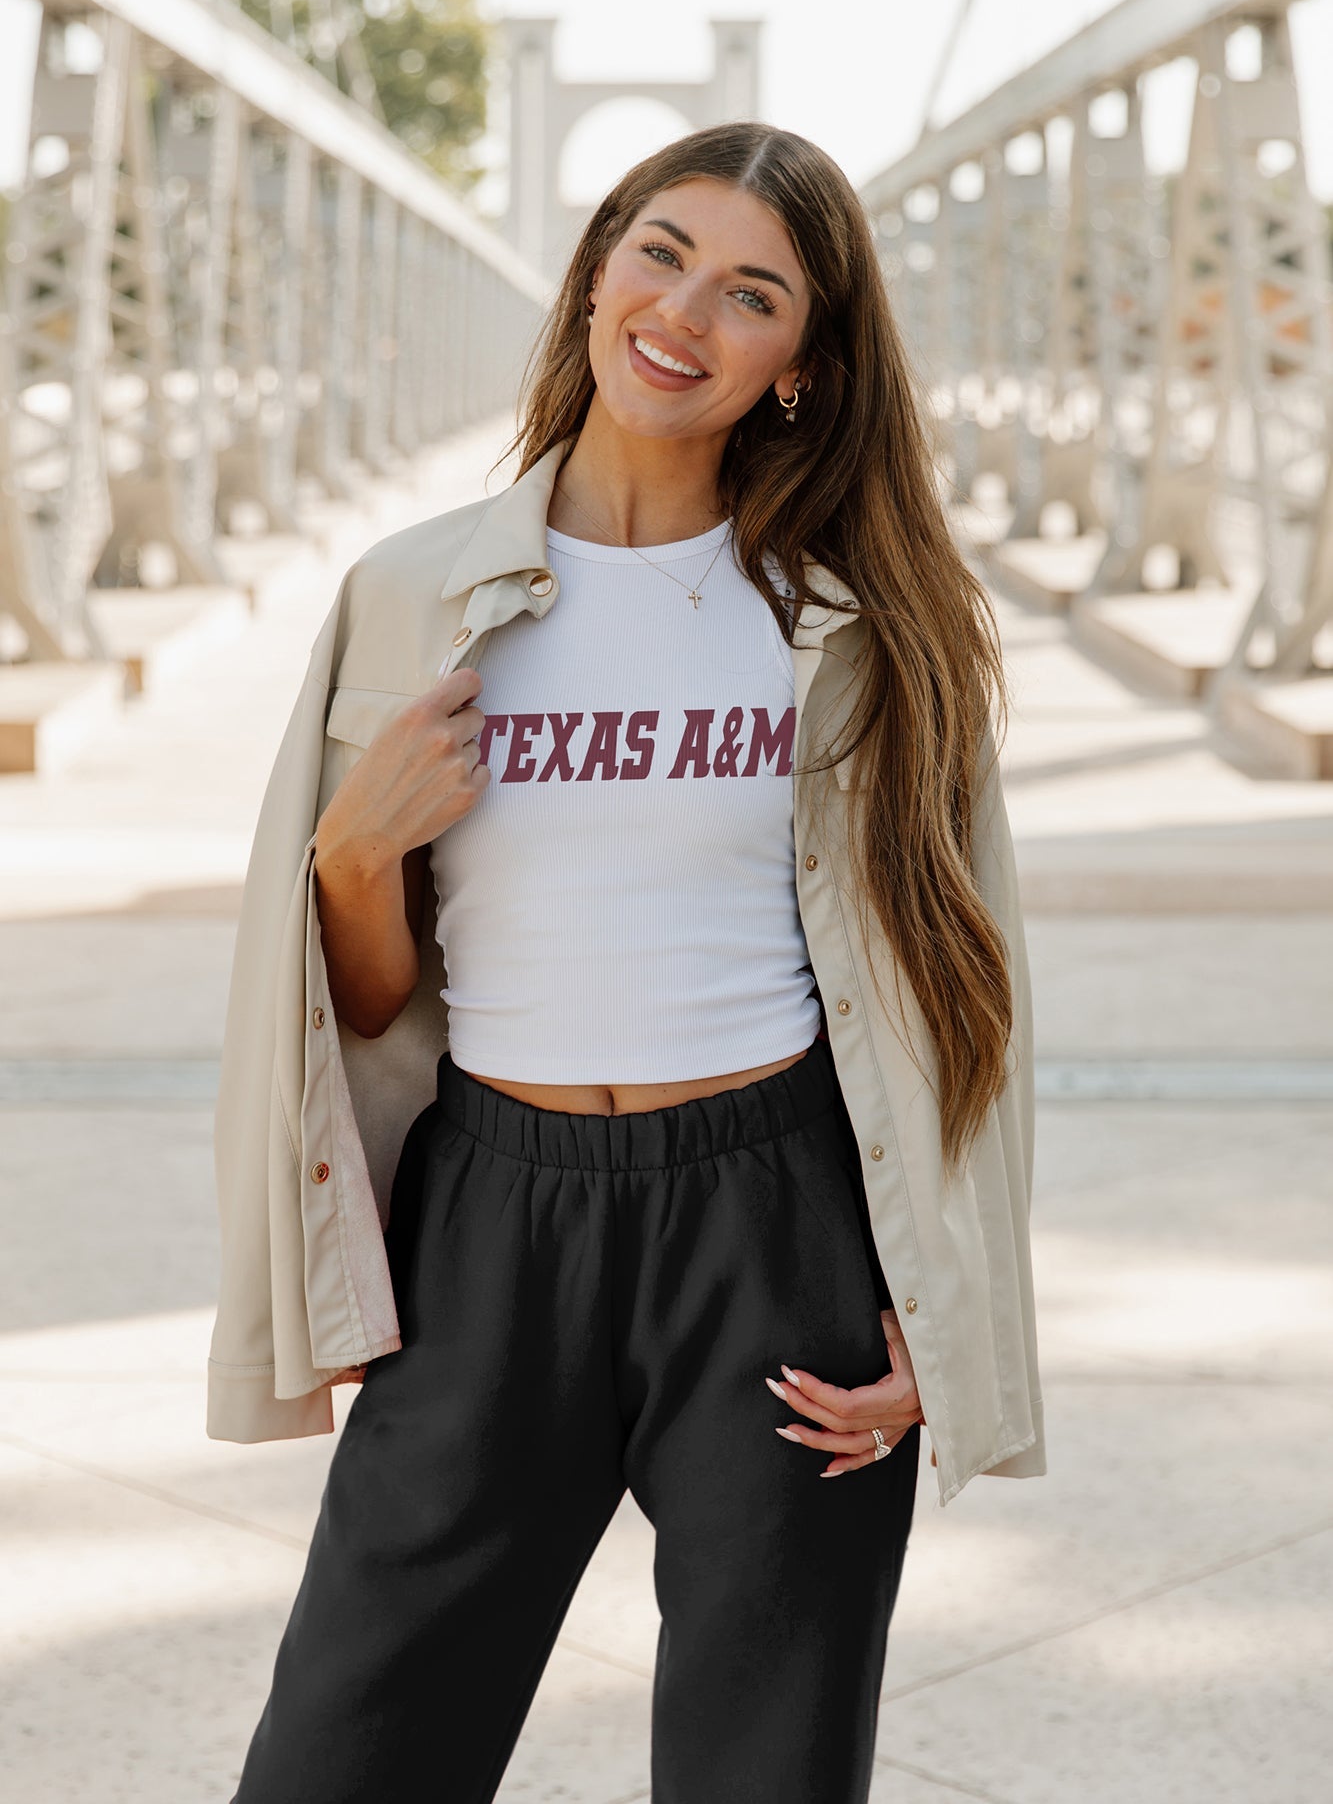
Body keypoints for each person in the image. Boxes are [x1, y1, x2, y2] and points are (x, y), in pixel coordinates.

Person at [211, 121, 1044, 1804]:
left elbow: (963, 991)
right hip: (488, 1224)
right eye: (658, 252)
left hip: (773, 1230)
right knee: (340, 1759)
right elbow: (361, 1004)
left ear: (801, 365)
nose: (683, 312)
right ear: (597, 266)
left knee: (766, 1772)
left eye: (752, 293)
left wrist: (939, 1312)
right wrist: (355, 849)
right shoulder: (409, 595)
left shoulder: (861, 621)